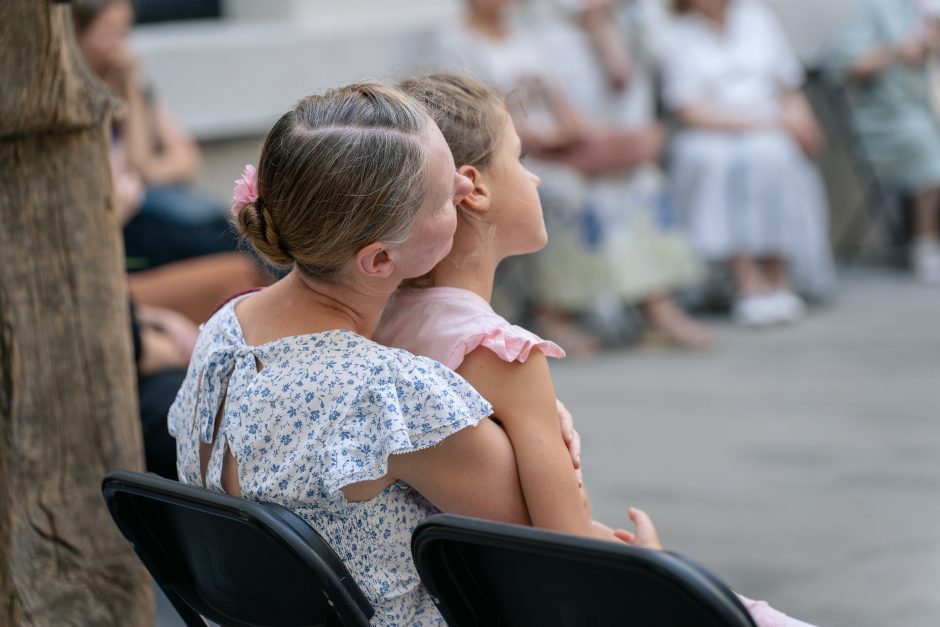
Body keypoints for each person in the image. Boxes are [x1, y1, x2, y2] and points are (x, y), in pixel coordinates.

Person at [167, 83, 658, 625]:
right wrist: (646, 568)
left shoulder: (222, 331)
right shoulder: (390, 396)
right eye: (446, 194)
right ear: (379, 260)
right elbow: (551, 555)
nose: (467, 186)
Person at [376, 72, 817, 627]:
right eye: (521, 156)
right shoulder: (499, 352)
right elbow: (567, 548)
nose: (534, 178)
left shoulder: (381, 321)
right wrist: (649, 566)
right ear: (475, 187)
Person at [435, 0, 713, 351]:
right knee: (567, 192)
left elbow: (562, 103)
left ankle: (655, 305)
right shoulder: (455, 41)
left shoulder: (526, 34)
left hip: (557, 146)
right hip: (503, 155)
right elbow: (469, 119)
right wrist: (547, 142)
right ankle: (555, 312)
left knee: (639, 181)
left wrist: (592, 141)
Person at [74, 0, 271, 322]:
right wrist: (130, 98)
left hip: (159, 206)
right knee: (242, 255)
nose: (120, 45)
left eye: (124, 31)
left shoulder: (134, 83)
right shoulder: (79, 104)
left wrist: (150, 168)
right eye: (108, 32)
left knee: (236, 236)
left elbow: (185, 159)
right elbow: (138, 163)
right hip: (134, 226)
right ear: (77, 34)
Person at [662, 0, 837, 326]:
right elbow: (689, 110)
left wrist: (804, 122)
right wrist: (765, 123)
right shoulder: (677, 35)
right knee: (718, 163)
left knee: (774, 156)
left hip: (770, 127)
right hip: (713, 131)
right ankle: (747, 281)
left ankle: (778, 275)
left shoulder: (758, 18)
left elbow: (788, 87)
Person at [828, 0, 940, 283]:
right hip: (892, 116)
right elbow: (841, 66)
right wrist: (897, 51)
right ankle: (925, 245)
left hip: (929, 105)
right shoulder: (879, 8)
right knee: (921, 139)